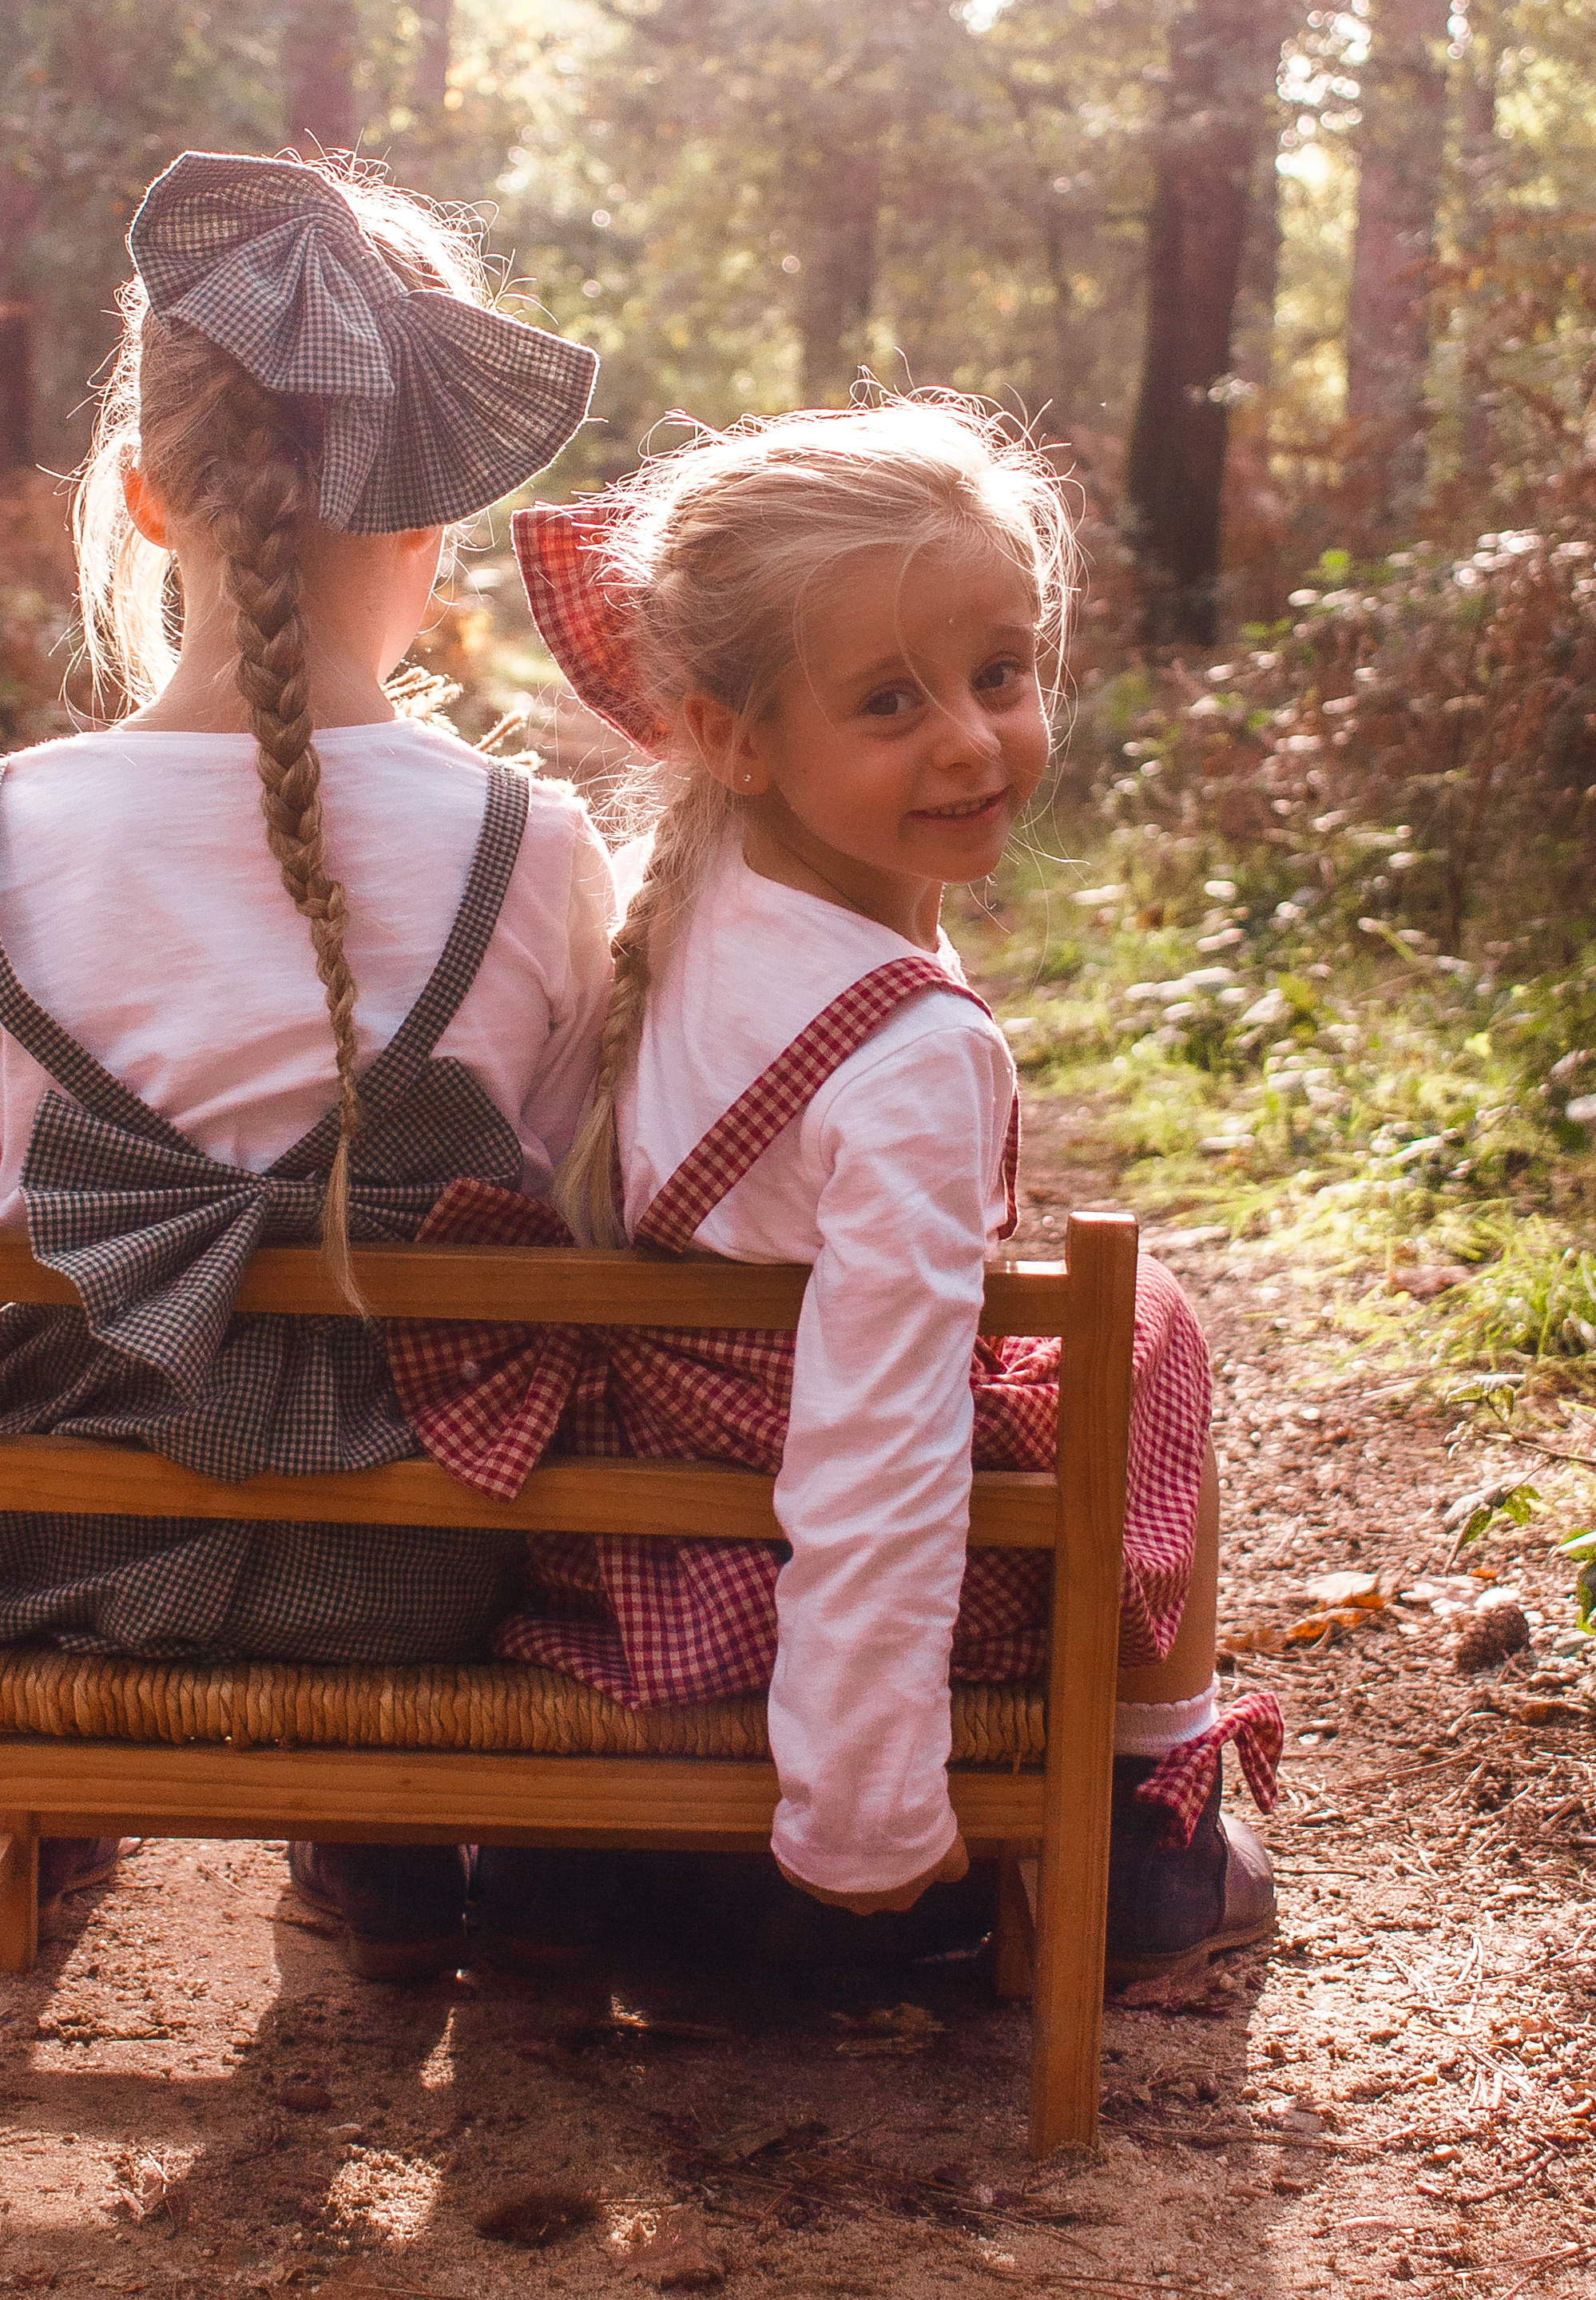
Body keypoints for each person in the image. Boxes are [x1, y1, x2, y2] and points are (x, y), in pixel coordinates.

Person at [0, 150, 613, 1976]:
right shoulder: (534, 843)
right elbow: (584, 1258)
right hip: (426, 1583)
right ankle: (381, 1828)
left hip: (57, 1577)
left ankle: (74, 1776)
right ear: (431, 527)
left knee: (80, 1417)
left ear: (144, 501)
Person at [388, 398, 1281, 1976]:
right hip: (771, 1590)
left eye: (998, 674)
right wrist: (862, 1806)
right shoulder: (911, 1055)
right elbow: (881, 1450)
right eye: (889, 700)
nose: (968, 737)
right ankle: (1151, 1827)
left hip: (623, 1558)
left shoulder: (693, 904)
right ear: (735, 732)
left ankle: (581, 1870)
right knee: (1146, 1328)